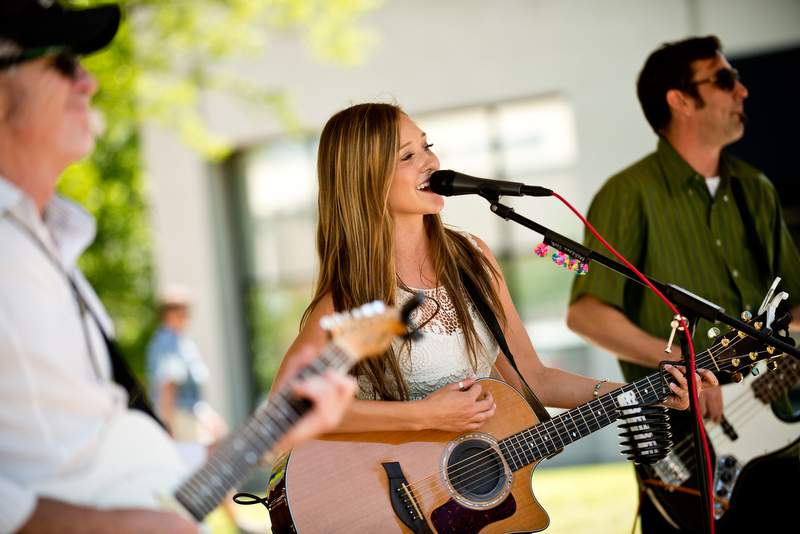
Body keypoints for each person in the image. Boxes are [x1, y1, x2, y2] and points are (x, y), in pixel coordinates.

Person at [0, 2, 355, 533]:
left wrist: (272, 435)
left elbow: (124, 471)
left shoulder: (49, 245)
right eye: (64, 64)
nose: (89, 83)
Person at [272, 102, 714, 444]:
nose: (431, 161)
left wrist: (644, 392)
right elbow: (288, 407)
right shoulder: (351, 298)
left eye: (427, 145)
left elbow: (534, 380)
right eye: (408, 155)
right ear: (365, 180)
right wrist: (422, 416)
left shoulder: (472, 259)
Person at [567, 36, 800, 533]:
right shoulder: (627, 194)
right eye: (723, 79)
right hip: (682, 439)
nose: (742, 91)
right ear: (680, 100)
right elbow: (586, 313)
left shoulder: (755, 188)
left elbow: (794, 307)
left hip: (780, 434)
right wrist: (681, 365)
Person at [146, 286, 226, 443]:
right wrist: (168, 429)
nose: (187, 317)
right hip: (181, 420)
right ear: (168, 314)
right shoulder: (168, 343)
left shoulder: (180, 341)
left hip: (190, 416)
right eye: (183, 312)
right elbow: (168, 386)